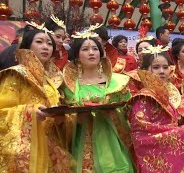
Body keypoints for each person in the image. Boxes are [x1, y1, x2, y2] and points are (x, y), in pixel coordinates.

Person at [0, 22, 71, 171]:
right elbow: (2, 112)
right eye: (39, 42)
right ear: (28, 46)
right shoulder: (16, 74)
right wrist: (30, 112)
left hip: (52, 147)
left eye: (49, 44)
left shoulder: (52, 80)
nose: (46, 47)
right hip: (27, 149)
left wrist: (61, 118)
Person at [62, 28, 135, 172]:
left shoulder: (116, 82)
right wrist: (76, 117)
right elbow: (64, 114)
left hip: (113, 140)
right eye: (85, 49)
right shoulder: (70, 86)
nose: (91, 52)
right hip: (82, 142)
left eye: (95, 48)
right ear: (77, 56)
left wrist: (114, 113)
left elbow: (129, 110)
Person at [128, 45, 184, 172]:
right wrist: (183, 132)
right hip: (156, 157)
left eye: (165, 67)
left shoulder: (166, 95)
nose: (162, 71)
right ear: (145, 70)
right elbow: (141, 135)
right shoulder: (143, 98)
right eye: (156, 67)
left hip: (171, 154)